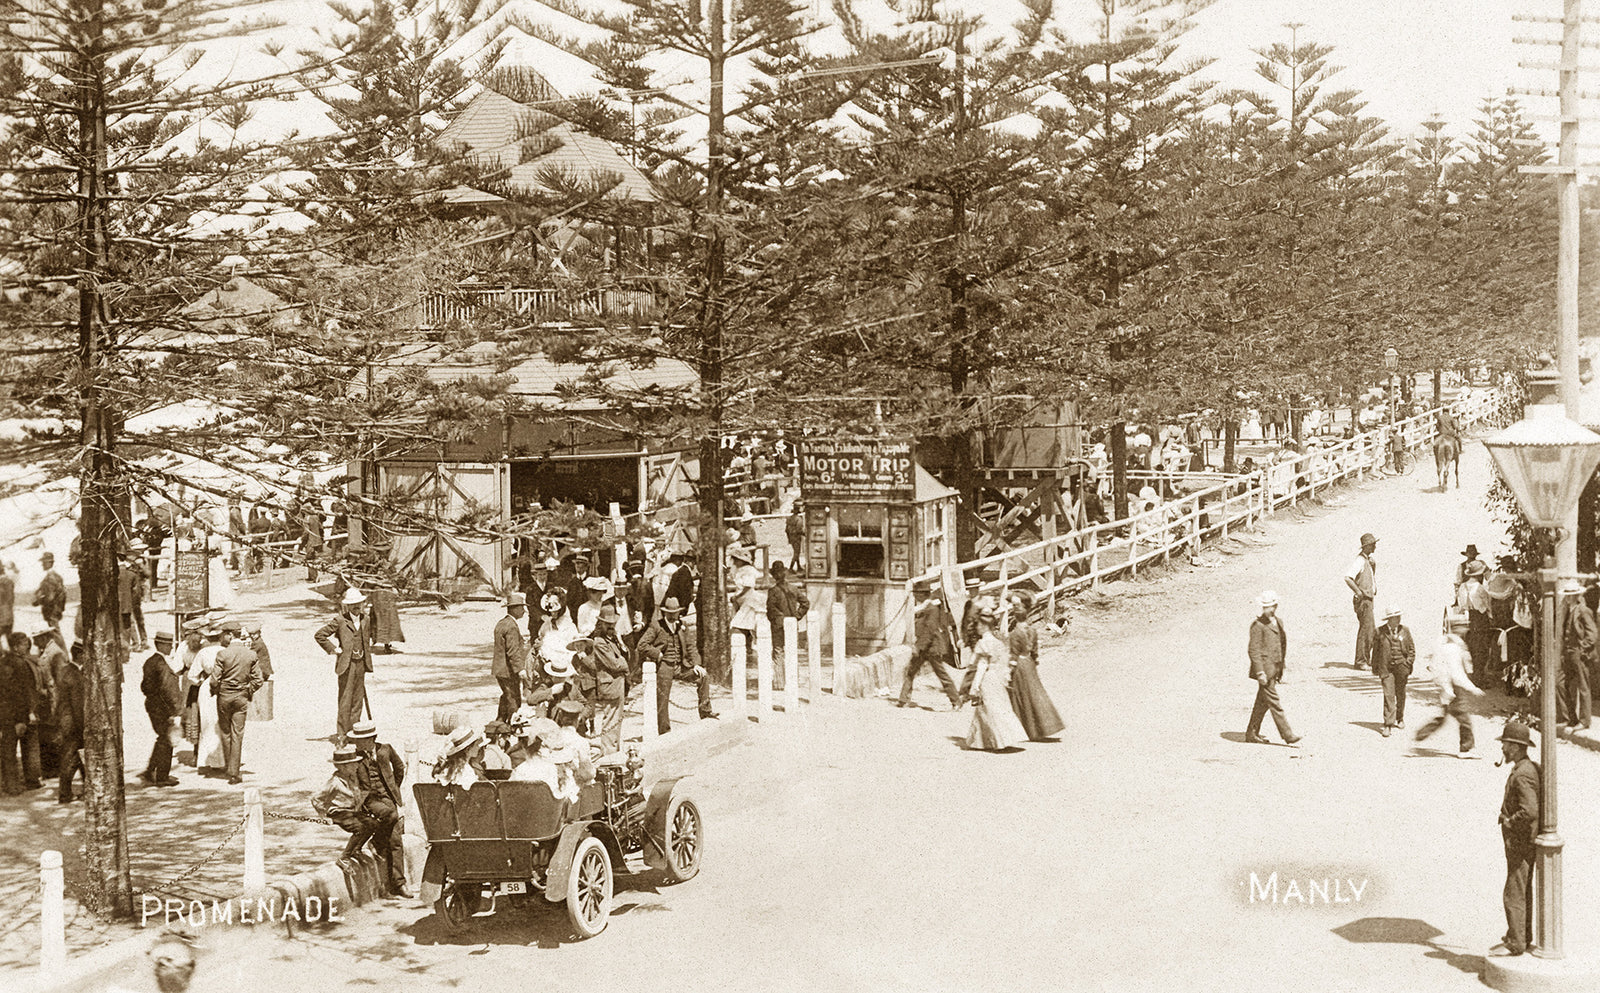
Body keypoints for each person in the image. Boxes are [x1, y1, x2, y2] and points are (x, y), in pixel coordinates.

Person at [1490, 721, 1540, 958]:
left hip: (1520, 841)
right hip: (1525, 840)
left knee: (1514, 892)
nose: (1503, 748)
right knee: (1521, 888)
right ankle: (1521, 935)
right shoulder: (1528, 768)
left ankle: (1516, 942)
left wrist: (1510, 821)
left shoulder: (1522, 774)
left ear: (1517, 747)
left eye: (1506, 744)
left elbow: (1529, 810)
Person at [635, 597, 716, 735]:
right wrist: (657, 653)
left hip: (680, 665)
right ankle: (664, 731)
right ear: (665, 613)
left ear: (679, 612)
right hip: (664, 665)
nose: (673, 616)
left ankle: (706, 712)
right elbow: (642, 645)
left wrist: (696, 664)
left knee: (703, 676)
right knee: (662, 699)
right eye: (670, 614)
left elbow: (691, 647)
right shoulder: (657, 626)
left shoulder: (682, 626)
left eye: (675, 613)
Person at [348, 720, 409, 897]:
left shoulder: (385, 750)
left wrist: (394, 788)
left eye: (360, 740)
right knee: (391, 818)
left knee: (395, 841)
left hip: (387, 797)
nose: (357, 744)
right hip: (369, 800)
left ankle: (398, 884)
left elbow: (399, 768)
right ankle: (388, 884)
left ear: (370, 739)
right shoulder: (354, 756)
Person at [1415, 615, 1483, 758]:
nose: (1466, 628)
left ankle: (1421, 734)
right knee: (1464, 718)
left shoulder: (1448, 642)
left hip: (1448, 686)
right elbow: (1456, 673)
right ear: (1457, 627)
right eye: (1463, 625)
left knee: (1446, 716)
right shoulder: (1453, 647)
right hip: (1454, 687)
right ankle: (1466, 749)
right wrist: (1472, 688)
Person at [963, 600, 1026, 752]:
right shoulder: (998, 642)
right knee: (996, 706)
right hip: (997, 676)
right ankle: (981, 741)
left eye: (979, 625)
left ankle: (997, 740)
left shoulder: (983, 643)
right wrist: (1005, 677)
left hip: (987, 677)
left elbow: (982, 665)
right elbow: (1004, 662)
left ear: (984, 626)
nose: (977, 628)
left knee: (989, 708)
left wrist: (975, 685)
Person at [315, 587, 374, 744]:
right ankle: (342, 735)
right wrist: (333, 649)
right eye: (353, 604)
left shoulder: (366, 619)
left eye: (358, 604)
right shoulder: (340, 620)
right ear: (347, 606)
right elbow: (320, 635)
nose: (356, 607)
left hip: (361, 663)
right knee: (345, 700)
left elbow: (367, 638)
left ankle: (354, 732)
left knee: (357, 700)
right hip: (346, 665)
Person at [1005, 591, 1064, 741]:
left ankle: (1024, 729)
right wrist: (1034, 662)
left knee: (1021, 696)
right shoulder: (1032, 630)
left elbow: (1013, 655)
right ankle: (1043, 725)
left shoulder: (1014, 633)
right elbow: (1035, 652)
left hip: (1019, 665)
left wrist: (1009, 671)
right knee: (1035, 694)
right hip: (1029, 663)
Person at [1245, 591, 1300, 746]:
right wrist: (1260, 672)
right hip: (1265, 671)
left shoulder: (1279, 622)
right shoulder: (1258, 626)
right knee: (1274, 702)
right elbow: (1253, 650)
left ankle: (1251, 733)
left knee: (1262, 703)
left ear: (1276, 606)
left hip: (1275, 668)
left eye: (1271, 606)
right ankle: (1288, 734)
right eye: (1266, 607)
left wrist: (1280, 668)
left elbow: (1281, 645)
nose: (1269, 609)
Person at [212, 623, 264, 784]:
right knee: (238, 734)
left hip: (224, 696)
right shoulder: (250, 654)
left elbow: (214, 680)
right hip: (241, 696)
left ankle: (228, 766)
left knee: (225, 732)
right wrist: (248, 690)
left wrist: (218, 690)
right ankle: (234, 772)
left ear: (229, 635)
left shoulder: (222, 654)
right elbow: (259, 680)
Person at [899, 584, 962, 709]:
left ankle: (956, 702)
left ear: (923, 594)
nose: (915, 595)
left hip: (932, 648)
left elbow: (930, 630)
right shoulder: (923, 607)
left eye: (917, 593)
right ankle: (903, 700)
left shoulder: (932, 608)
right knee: (910, 671)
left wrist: (918, 647)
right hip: (924, 647)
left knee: (942, 675)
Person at [576, 606, 628, 753]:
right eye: (607, 624)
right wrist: (624, 664)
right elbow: (614, 664)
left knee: (616, 722)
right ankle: (609, 755)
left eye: (612, 624)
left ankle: (614, 752)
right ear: (601, 624)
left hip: (618, 684)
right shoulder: (599, 642)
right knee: (610, 722)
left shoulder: (612, 640)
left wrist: (621, 642)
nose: (611, 627)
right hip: (609, 685)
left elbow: (628, 655)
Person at [138, 632, 182, 787]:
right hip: (163, 708)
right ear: (161, 645)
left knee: (162, 737)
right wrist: (175, 710)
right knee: (166, 740)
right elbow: (168, 689)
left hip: (153, 705)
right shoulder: (161, 664)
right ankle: (162, 777)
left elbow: (145, 686)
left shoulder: (150, 661)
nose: (171, 647)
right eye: (169, 645)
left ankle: (150, 770)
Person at [0, 633, 39, 794]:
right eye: (24, 644)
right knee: (28, 747)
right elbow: (24, 692)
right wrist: (28, 713)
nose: (27, 646)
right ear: (15, 647)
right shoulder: (20, 664)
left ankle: (11, 785)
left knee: (8, 750)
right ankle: (31, 781)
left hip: (5, 713)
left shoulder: (3, 662)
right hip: (19, 713)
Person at [184, 624, 226, 773]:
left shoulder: (203, 652)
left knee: (207, 724)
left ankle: (206, 760)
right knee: (222, 724)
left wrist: (201, 681)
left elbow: (192, 676)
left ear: (207, 638)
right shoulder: (225, 651)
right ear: (220, 637)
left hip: (207, 688)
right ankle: (223, 760)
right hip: (224, 687)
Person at [1371, 605, 1415, 738]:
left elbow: (1412, 649)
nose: (1398, 619)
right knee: (1388, 695)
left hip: (1402, 668)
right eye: (1396, 617)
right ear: (1389, 619)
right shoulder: (1379, 632)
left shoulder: (1405, 630)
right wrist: (1375, 668)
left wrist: (1408, 663)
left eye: (1399, 617)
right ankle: (1388, 724)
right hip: (1386, 668)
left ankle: (1400, 717)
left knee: (1400, 693)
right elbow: (1376, 651)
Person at [1559, 579, 1597, 731]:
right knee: (1561, 683)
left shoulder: (1583, 610)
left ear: (1577, 595)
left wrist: (1582, 649)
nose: (1568, 597)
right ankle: (1570, 718)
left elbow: (1592, 634)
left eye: (1571, 594)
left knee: (1583, 686)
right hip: (1568, 652)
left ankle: (1584, 721)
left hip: (1579, 653)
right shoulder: (1568, 610)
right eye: (1567, 594)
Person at [766, 561, 809, 691]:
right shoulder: (794, 589)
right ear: (785, 574)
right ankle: (793, 680)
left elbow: (770, 609)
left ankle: (780, 683)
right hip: (792, 624)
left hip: (778, 626)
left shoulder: (773, 591)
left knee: (778, 651)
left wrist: (777, 619)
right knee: (792, 651)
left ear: (774, 576)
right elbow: (806, 603)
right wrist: (797, 616)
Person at [1343, 533, 1378, 670]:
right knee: (1366, 630)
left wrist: (1373, 567)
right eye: (1373, 544)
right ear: (1367, 546)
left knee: (1369, 630)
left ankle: (1365, 660)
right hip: (1364, 600)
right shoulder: (1360, 561)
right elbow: (1348, 577)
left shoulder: (1368, 561)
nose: (1375, 547)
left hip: (1368, 599)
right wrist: (1358, 592)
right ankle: (1361, 661)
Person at [54, 643, 84, 802]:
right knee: (72, 758)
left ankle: (86, 788)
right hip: (73, 722)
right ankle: (65, 794)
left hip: (66, 721)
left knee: (78, 757)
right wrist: (83, 726)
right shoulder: (75, 675)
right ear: (80, 655)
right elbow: (77, 704)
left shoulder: (65, 670)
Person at [493, 592, 529, 723]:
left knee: (506, 696)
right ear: (514, 609)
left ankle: (499, 722)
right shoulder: (512, 626)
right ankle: (511, 726)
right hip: (508, 671)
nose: (524, 611)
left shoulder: (502, 623)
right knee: (514, 699)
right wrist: (520, 669)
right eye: (521, 607)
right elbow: (512, 651)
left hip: (499, 669)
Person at [35, 552, 65, 630]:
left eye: (44, 562)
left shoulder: (50, 577)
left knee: (55, 632)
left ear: (49, 563)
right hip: (55, 609)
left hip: (51, 610)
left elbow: (50, 597)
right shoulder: (56, 576)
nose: (42, 564)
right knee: (54, 631)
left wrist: (39, 600)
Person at [786, 503, 805, 571]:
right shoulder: (799, 519)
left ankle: (798, 566)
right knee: (797, 553)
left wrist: (789, 538)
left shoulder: (789, 518)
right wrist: (806, 534)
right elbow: (799, 530)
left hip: (791, 537)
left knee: (796, 551)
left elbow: (786, 530)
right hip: (797, 537)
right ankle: (791, 567)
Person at [0, 561, 13, 641]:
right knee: (9, 639)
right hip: (7, 616)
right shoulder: (8, 581)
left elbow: (9, 599)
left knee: (9, 639)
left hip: (3, 617)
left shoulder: (4, 582)